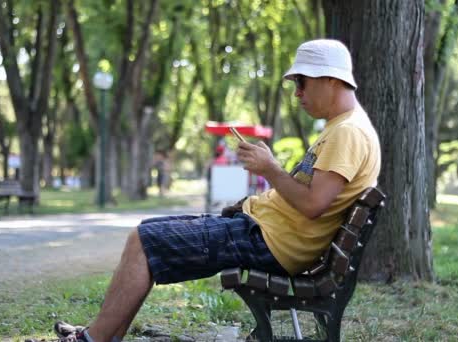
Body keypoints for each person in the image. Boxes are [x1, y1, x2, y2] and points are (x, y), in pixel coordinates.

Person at [44, 39, 381, 342]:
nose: (297, 93)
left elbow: (313, 204)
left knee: (143, 241)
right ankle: (98, 337)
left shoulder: (348, 133)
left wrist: (270, 169)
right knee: (146, 233)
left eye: (301, 83)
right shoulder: (343, 128)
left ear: (332, 79)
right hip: (261, 232)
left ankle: (92, 341)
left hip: (267, 242)